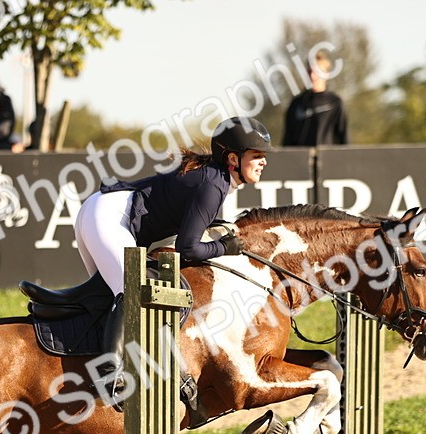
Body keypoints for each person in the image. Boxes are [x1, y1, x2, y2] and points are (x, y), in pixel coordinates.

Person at [74, 116, 270, 398]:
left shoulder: (216, 178)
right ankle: (110, 374)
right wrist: (224, 248)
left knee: (104, 295)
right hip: (109, 217)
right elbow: (188, 248)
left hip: (101, 210)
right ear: (233, 159)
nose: (263, 162)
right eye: (257, 155)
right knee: (131, 292)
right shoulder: (213, 184)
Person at [282, 52, 347, 147]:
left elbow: (344, 139)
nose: (312, 76)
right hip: (299, 160)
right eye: (309, 71)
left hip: (327, 160)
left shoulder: (335, 102)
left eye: (317, 72)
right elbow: (287, 141)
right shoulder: (296, 104)